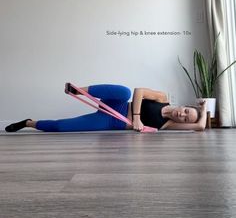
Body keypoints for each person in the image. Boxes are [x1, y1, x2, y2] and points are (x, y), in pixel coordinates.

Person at [5, 84, 207, 133]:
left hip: (114, 121)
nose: (183, 116)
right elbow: (139, 92)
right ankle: (79, 90)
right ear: (184, 106)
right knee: (125, 91)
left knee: (63, 127)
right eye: (187, 112)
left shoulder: (168, 124)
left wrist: (204, 109)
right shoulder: (162, 98)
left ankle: (28, 123)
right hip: (119, 105)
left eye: (186, 119)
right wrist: (137, 117)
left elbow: (199, 127)